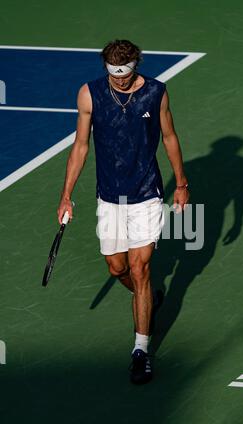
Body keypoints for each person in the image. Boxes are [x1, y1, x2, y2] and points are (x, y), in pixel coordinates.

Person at [57, 39, 189, 384]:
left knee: (139, 267)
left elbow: (170, 137)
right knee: (117, 268)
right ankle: (146, 297)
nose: (119, 81)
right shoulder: (89, 94)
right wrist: (66, 195)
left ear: (135, 66)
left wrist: (182, 184)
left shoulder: (157, 92)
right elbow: (81, 145)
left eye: (125, 75)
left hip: (146, 193)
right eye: (114, 76)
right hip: (110, 196)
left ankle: (141, 351)